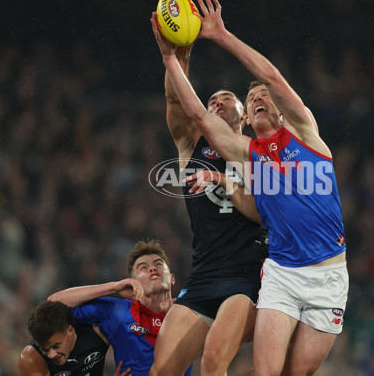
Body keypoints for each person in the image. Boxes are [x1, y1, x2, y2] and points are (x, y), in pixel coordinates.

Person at [151, 0, 349, 376]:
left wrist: (223, 36)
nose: (258, 97)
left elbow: (272, 77)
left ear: (280, 110)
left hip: (329, 276)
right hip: (281, 274)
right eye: (251, 95)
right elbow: (194, 114)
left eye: (262, 97)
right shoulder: (248, 155)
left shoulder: (306, 134)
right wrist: (170, 59)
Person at [147, 38, 269, 375]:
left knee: (213, 361)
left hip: (245, 279)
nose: (216, 102)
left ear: (243, 116)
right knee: (161, 370)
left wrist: (220, 180)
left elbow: (262, 213)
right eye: (211, 99)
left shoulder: (255, 152)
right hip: (203, 276)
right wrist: (176, 58)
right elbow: (175, 98)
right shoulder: (192, 146)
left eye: (227, 99)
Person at [45, 239, 192, 376]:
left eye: (158, 264)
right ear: (133, 281)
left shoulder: (189, 312)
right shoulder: (118, 311)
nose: (152, 268)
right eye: (143, 267)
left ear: (172, 278)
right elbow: (54, 303)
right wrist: (113, 287)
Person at [18, 300, 131, 376]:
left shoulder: (98, 333)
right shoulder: (31, 359)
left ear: (70, 330)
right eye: (45, 349)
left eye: (56, 346)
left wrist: (114, 286)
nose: (51, 355)